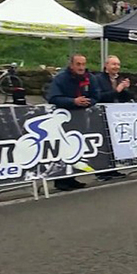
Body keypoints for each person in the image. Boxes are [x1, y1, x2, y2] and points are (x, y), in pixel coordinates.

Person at [47, 54, 99, 191]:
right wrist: (73, 101)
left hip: (81, 117)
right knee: (63, 149)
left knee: (76, 149)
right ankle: (61, 180)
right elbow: (52, 97)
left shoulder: (90, 78)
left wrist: (88, 102)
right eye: (78, 64)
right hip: (63, 118)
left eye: (83, 64)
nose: (81, 67)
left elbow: (96, 95)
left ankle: (71, 177)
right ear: (71, 65)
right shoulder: (61, 78)